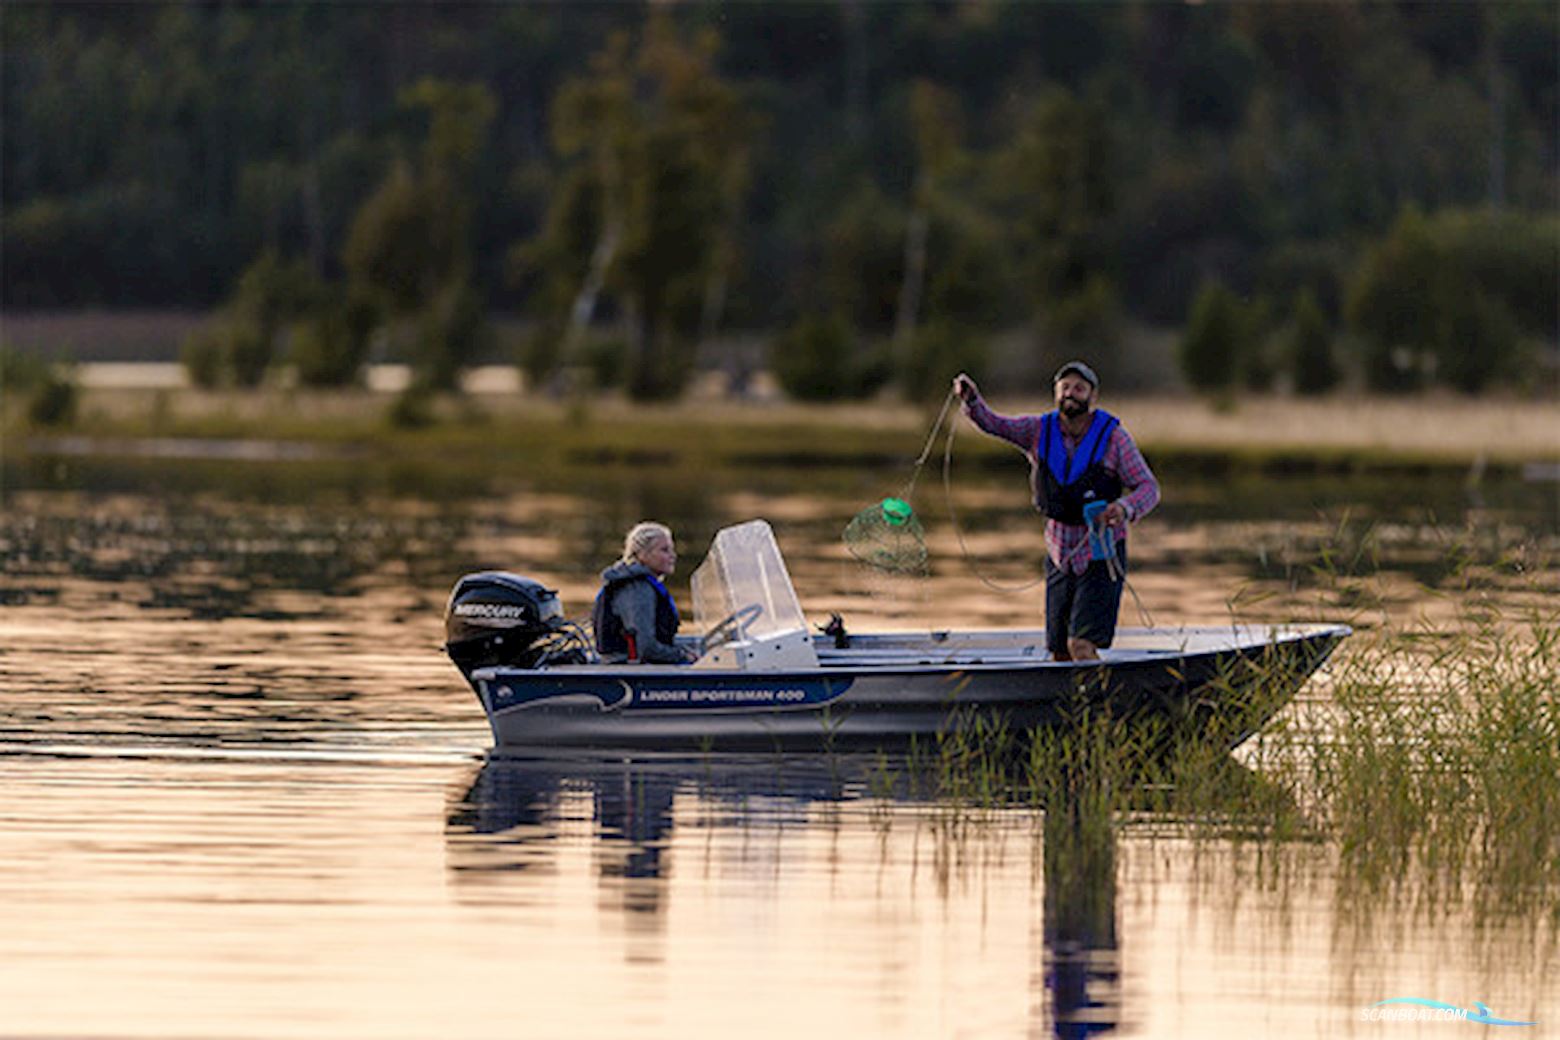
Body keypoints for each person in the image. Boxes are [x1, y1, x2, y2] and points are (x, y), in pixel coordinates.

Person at [953, 361, 1159, 662]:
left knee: (1081, 645)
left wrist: (1124, 508)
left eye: (1079, 388)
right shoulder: (1037, 430)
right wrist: (972, 400)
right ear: (1056, 393)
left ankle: (1100, 693)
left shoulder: (1115, 439)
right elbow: (995, 424)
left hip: (1101, 554)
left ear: (1093, 396)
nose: (1070, 393)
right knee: (1059, 652)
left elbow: (1149, 488)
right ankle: (1073, 695)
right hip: (1059, 553)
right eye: (1065, 388)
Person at [593, 521, 697, 664]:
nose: (673, 556)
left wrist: (684, 651)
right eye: (664, 550)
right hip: (627, 668)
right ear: (642, 554)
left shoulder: (643, 584)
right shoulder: (637, 589)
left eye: (672, 550)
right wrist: (682, 656)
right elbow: (647, 649)